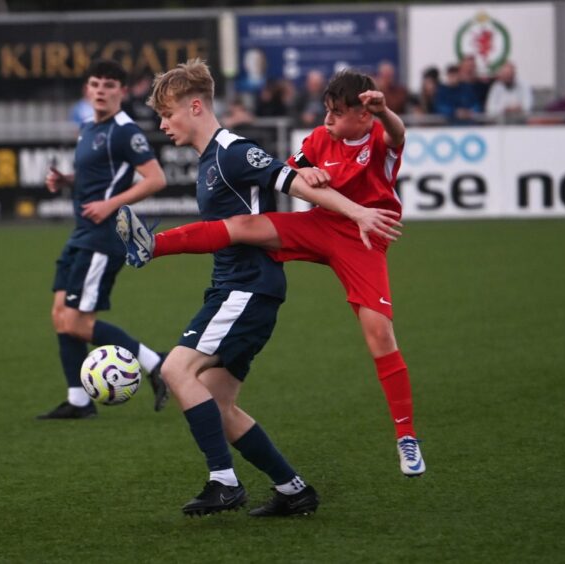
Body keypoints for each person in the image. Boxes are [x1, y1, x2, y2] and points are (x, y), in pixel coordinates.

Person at [117, 66, 425, 489]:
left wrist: (383, 117)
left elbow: (395, 136)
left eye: (336, 113)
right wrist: (306, 173)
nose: (327, 120)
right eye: (326, 111)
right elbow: (290, 172)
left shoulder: (376, 134)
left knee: (379, 335)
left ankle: (406, 435)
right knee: (244, 225)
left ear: (364, 114)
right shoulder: (319, 138)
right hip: (319, 225)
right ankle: (290, 489)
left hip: (361, 238)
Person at [37, 59, 170, 419]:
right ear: (86, 89)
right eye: (95, 83)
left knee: (75, 322)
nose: (100, 90)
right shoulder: (87, 127)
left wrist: (111, 203)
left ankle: (157, 363)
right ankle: (79, 401)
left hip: (102, 236)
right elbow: (93, 176)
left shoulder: (125, 131)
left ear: (122, 92)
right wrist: (66, 180)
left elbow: (156, 179)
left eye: (109, 85)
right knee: (59, 314)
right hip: (81, 233)